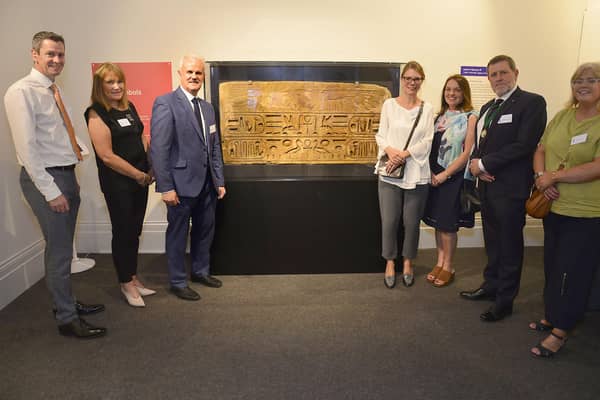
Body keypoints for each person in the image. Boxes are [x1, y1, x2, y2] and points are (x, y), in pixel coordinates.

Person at [3, 31, 106, 338]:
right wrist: (51, 191)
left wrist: (79, 152)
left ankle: (67, 302)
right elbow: (27, 148)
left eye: (60, 54)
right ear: (34, 55)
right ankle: (66, 318)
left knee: (60, 247)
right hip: (46, 179)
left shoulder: (53, 90)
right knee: (60, 252)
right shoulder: (20, 92)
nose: (57, 60)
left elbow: (58, 131)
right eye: (50, 54)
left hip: (64, 173)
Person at [460, 55, 547, 322]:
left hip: (510, 189)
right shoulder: (488, 106)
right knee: (493, 242)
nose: (498, 78)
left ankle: (505, 299)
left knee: (509, 244)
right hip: (487, 187)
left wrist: (484, 164)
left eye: (503, 73)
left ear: (515, 73)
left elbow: (524, 145)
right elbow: (479, 144)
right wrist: (478, 166)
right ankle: (490, 286)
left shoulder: (532, 103)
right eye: (493, 74)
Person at [529, 62, 600, 358]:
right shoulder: (562, 116)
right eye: (577, 80)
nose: (583, 85)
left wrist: (554, 177)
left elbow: (597, 166)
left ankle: (562, 329)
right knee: (554, 265)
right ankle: (554, 314)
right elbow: (541, 149)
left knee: (576, 270)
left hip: (587, 212)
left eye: (592, 80)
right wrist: (541, 180)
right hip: (554, 207)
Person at [150, 55, 226, 301]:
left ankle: (200, 271)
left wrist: (219, 180)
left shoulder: (207, 107)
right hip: (180, 186)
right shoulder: (165, 103)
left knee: (205, 230)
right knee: (178, 234)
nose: (194, 77)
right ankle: (177, 281)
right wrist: (166, 187)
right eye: (190, 72)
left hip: (207, 185)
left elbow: (214, 146)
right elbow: (159, 149)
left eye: (199, 73)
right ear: (180, 74)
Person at [85, 62, 155, 308]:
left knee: (134, 230)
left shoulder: (129, 107)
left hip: (141, 180)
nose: (116, 86)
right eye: (110, 82)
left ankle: (133, 278)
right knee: (123, 231)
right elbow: (106, 156)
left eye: (119, 82)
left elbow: (141, 137)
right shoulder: (95, 113)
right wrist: (137, 174)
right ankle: (125, 282)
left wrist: (150, 166)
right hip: (119, 183)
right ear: (100, 86)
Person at [375, 61, 434, 288]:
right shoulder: (389, 105)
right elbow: (381, 135)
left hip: (417, 173)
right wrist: (392, 153)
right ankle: (390, 261)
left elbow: (427, 140)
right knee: (389, 222)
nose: (412, 82)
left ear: (421, 81)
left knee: (411, 223)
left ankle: (408, 261)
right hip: (390, 171)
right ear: (402, 80)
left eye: (416, 79)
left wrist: (405, 154)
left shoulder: (427, 109)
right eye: (408, 78)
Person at [423, 75, 478, 287]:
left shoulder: (470, 117)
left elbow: (467, 152)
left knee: (448, 225)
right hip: (433, 175)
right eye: (448, 89)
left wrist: (444, 176)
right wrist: (430, 173)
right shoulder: (440, 117)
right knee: (437, 223)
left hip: (452, 177)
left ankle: (448, 266)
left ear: (464, 93)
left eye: (456, 90)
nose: (451, 93)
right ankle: (439, 262)